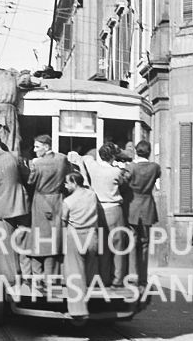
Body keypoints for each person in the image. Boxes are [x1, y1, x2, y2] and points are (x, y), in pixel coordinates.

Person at [70, 142, 129, 287]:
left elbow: (84, 157)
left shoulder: (93, 166)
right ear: (113, 156)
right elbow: (123, 181)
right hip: (114, 209)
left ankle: (103, 278)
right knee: (117, 245)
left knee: (102, 246)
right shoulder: (116, 172)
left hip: (97, 208)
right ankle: (117, 279)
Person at [0, 128, 32, 279]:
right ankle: (27, 273)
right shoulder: (14, 156)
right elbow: (26, 177)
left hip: (3, 204)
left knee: (9, 242)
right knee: (23, 238)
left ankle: (14, 274)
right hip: (20, 201)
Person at [26, 133, 69, 281]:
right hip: (57, 200)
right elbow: (69, 176)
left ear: (46, 147)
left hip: (41, 201)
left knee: (38, 239)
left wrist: (32, 165)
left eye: (37, 147)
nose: (34, 149)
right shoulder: (62, 159)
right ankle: (51, 276)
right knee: (54, 239)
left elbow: (30, 182)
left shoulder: (37, 163)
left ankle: (38, 276)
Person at [61, 171, 101, 321]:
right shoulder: (92, 195)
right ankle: (90, 305)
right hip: (92, 237)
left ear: (74, 183)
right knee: (89, 274)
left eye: (67, 182)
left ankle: (78, 312)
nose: (65, 185)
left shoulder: (68, 201)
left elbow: (63, 220)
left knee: (74, 275)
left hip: (75, 237)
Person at [124, 139, 161, 288]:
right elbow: (157, 177)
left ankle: (132, 276)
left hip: (132, 206)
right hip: (147, 207)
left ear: (136, 152)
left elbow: (124, 181)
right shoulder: (155, 168)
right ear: (149, 152)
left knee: (131, 242)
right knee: (144, 244)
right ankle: (143, 279)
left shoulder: (131, 167)